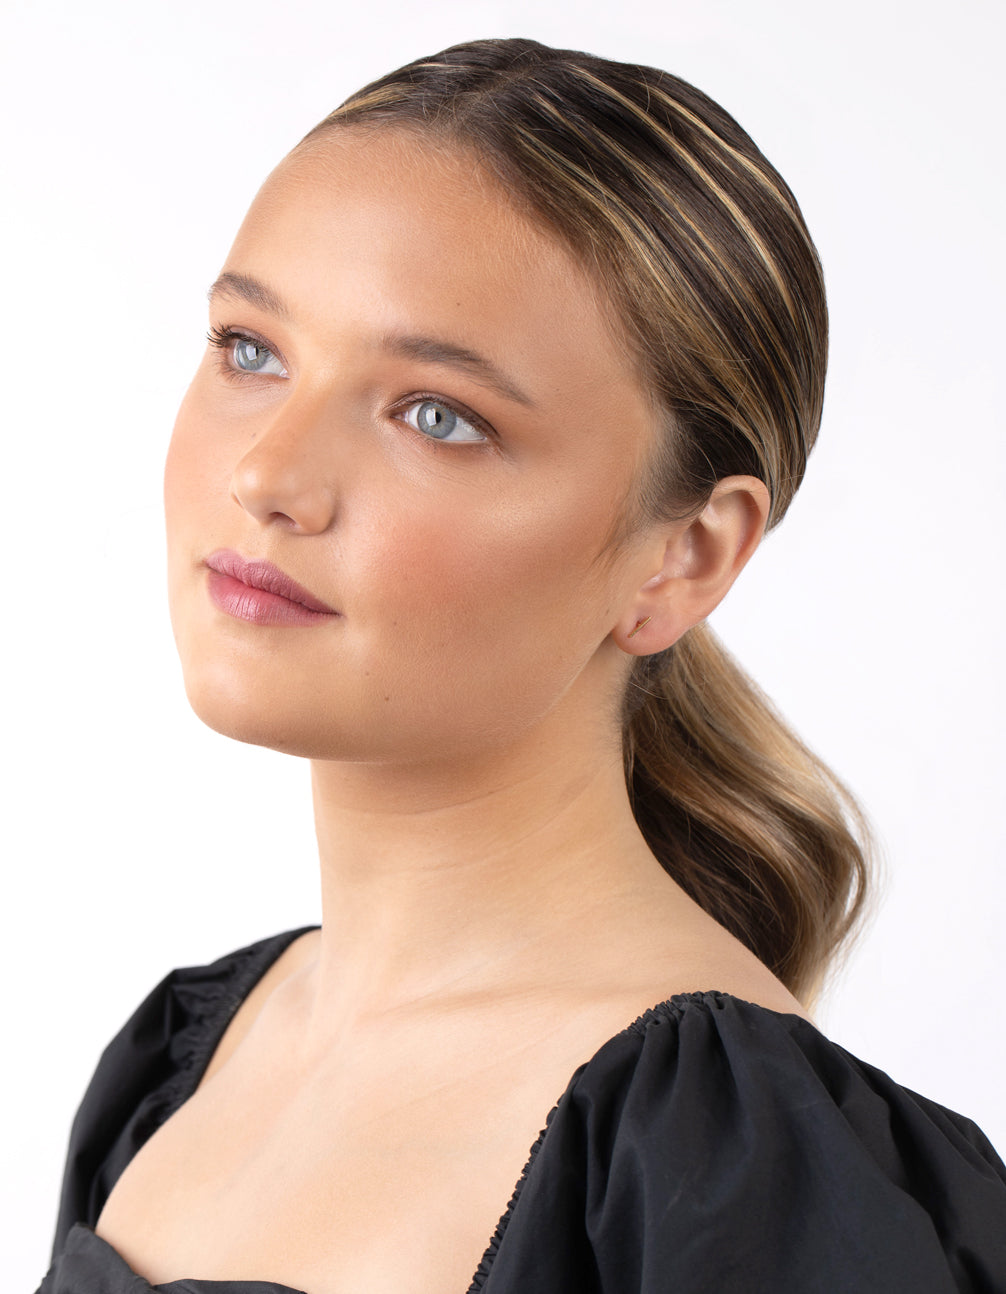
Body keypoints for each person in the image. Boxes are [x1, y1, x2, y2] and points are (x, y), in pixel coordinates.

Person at [36, 36, 1006, 1294]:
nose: (266, 474)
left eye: (437, 415)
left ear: (684, 556)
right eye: (250, 348)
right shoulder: (181, 1060)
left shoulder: (733, 1171)